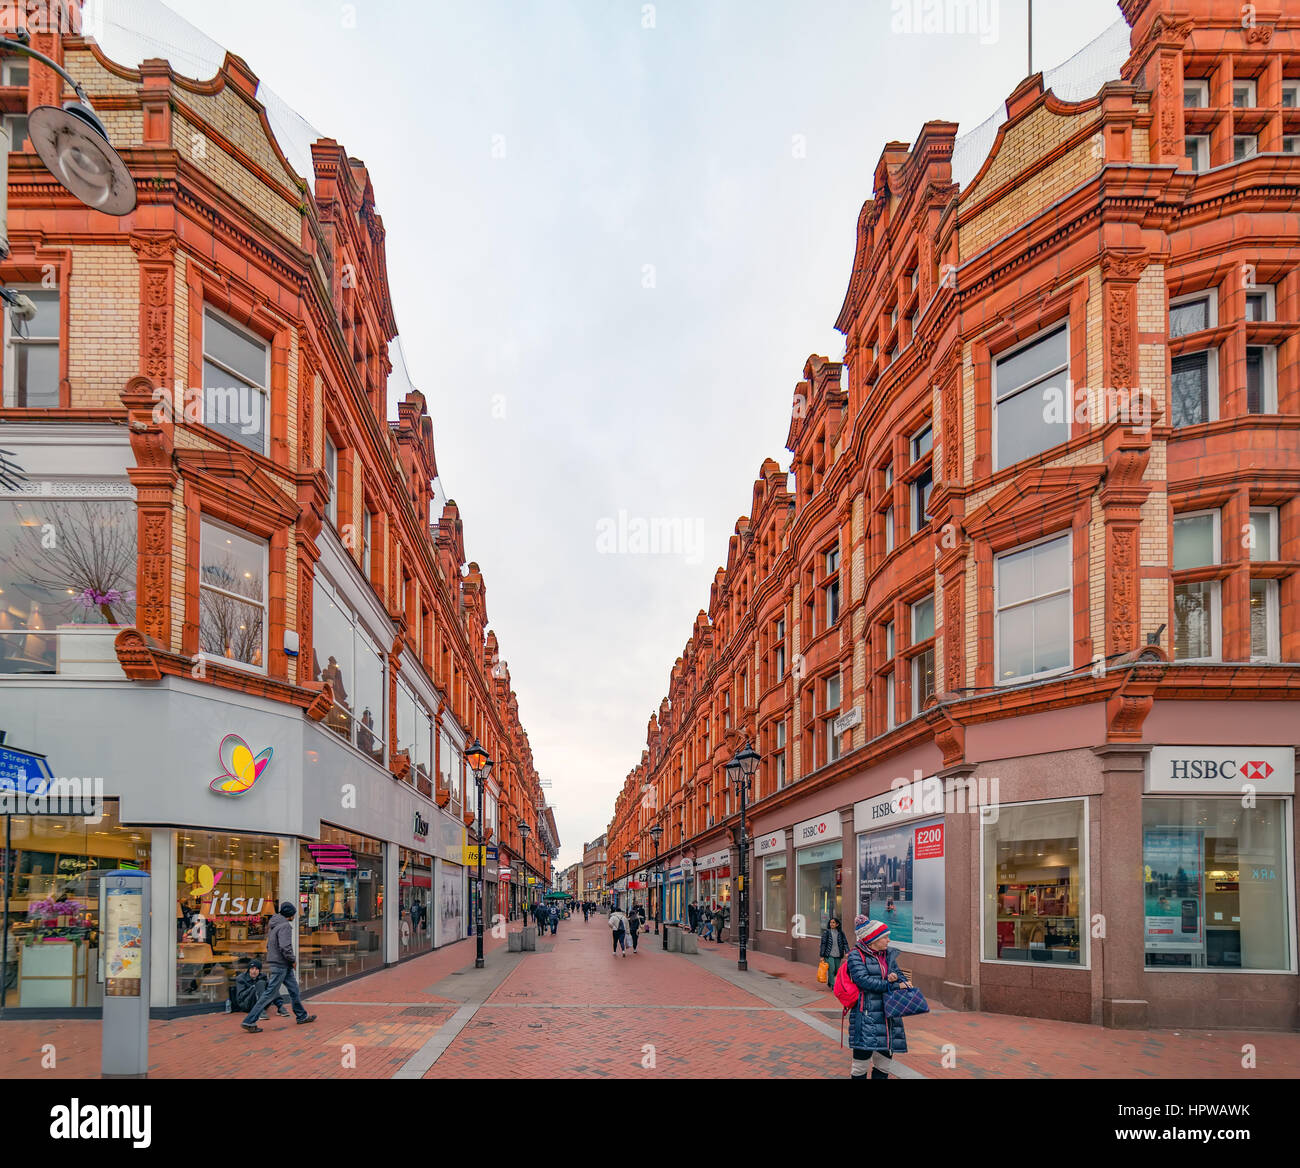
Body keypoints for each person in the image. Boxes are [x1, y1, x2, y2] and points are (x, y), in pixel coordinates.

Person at [845, 917, 911, 1080]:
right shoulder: (855, 956)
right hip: (866, 1014)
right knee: (860, 1066)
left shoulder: (888, 955)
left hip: (889, 1015)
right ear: (873, 938)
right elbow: (864, 981)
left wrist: (900, 979)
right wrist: (892, 985)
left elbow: (899, 975)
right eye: (885, 937)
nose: (889, 940)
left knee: (883, 1065)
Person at [241, 902, 316, 1033]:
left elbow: (270, 945)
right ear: (290, 914)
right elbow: (285, 946)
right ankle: (249, 1020)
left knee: (294, 990)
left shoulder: (274, 925)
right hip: (281, 964)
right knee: (269, 994)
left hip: (280, 964)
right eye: (294, 913)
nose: (294, 916)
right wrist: (292, 960)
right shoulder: (284, 926)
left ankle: (301, 1015)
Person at [819, 916, 849, 990]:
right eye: (830, 922)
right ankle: (833, 986)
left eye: (833, 922)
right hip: (829, 954)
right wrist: (822, 955)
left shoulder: (841, 933)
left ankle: (830, 982)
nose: (831, 924)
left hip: (838, 954)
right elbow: (823, 944)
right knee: (831, 969)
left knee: (836, 970)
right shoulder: (826, 932)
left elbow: (845, 943)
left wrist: (847, 951)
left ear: (837, 924)